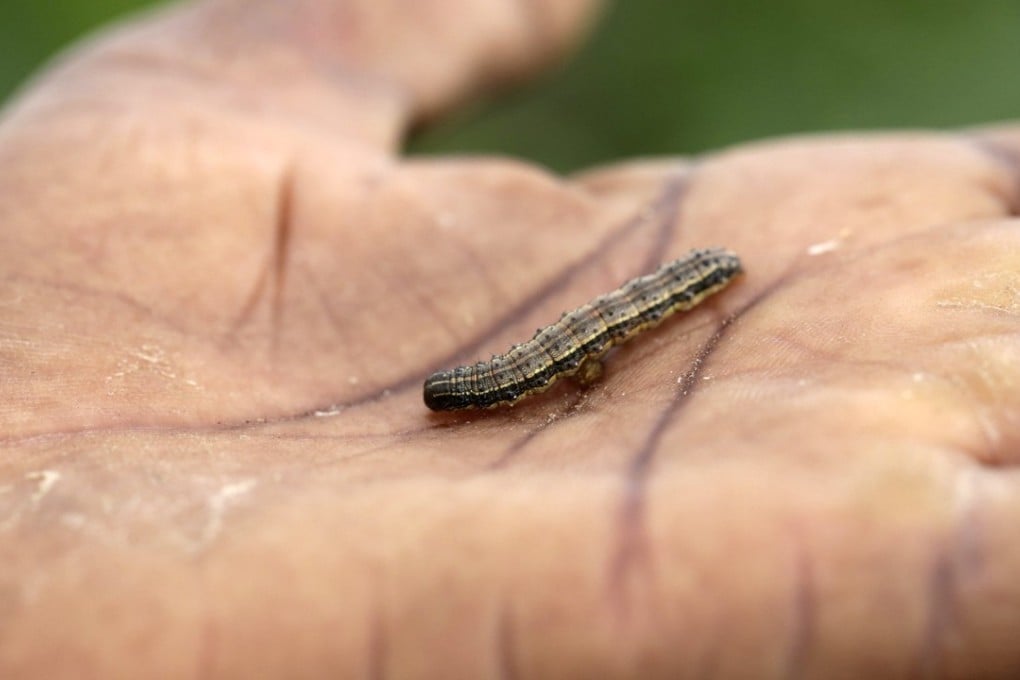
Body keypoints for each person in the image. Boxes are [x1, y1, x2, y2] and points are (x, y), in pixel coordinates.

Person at [1, 0, 1018, 676]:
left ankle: (698, 271)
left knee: (616, 321)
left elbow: (585, 347)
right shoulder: (494, 385)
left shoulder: (595, 336)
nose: (475, 392)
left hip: (680, 277)